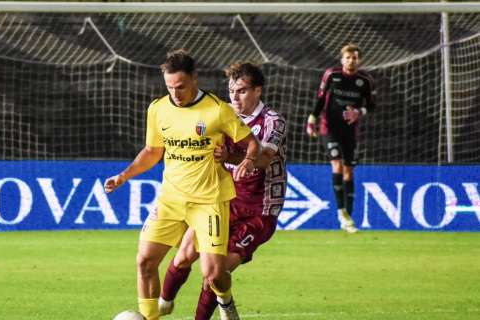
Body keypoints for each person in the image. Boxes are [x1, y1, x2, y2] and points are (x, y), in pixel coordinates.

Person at [104, 50, 260, 320]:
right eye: (169, 87)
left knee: (213, 274)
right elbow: (153, 151)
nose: (175, 93)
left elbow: (253, 144)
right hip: (171, 199)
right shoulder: (158, 109)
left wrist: (246, 160)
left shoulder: (217, 110)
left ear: (195, 79)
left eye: (181, 87)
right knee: (145, 261)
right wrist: (123, 176)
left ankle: (225, 300)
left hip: (209, 201)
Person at [157, 62, 287, 319]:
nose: (235, 98)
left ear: (257, 91)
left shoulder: (273, 121)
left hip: (258, 211)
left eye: (242, 91)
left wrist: (236, 157)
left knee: (215, 272)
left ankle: (218, 308)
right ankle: (160, 307)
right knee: (183, 256)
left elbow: (264, 160)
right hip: (220, 201)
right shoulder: (221, 113)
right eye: (231, 91)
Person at [306, 43, 376, 233]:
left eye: (354, 57)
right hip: (329, 128)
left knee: (349, 172)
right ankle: (341, 212)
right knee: (336, 164)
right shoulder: (332, 74)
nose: (351, 60)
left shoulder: (365, 80)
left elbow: (371, 105)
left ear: (359, 60)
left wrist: (358, 112)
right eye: (348, 57)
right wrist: (311, 120)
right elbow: (321, 98)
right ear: (342, 59)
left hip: (350, 131)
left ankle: (348, 217)